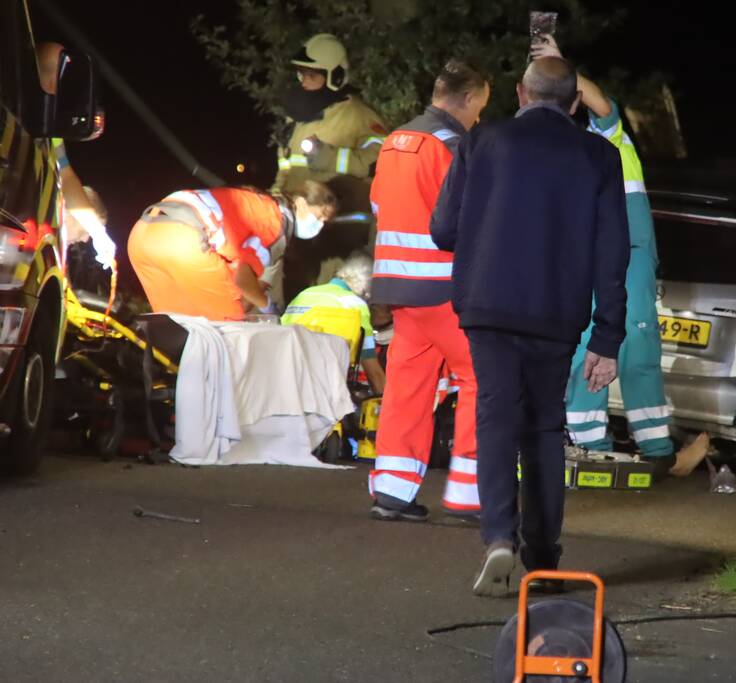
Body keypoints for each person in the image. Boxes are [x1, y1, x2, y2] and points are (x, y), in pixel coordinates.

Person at [430, 57, 629, 596]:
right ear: (574, 103)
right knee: (544, 427)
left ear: (520, 93)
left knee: (495, 415)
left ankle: (498, 536)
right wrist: (608, 336)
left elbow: (443, 229)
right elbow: (613, 251)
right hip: (556, 314)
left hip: (488, 307)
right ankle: (544, 556)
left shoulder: (482, 141)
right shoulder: (599, 157)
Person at [530, 36, 677, 470]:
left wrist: (557, 63)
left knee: (637, 352)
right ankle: (589, 447)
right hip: (592, 266)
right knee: (585, 352)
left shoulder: (613, 142)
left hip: (629, 263)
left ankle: (657, 454)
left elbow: (600, 104)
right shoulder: (567, 156)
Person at [366, 60, 491, 522]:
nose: (480, 116)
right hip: (445, 288)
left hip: (400, 291)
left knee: (408, 386)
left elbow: (379, 204)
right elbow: (472, 217)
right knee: (483, 380)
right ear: (470, 98)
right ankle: (468, 494)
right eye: (481, 106)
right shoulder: (455, 146)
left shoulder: (396, 140)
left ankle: (393, 493)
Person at [127, 181, 337, 321]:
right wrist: (270, 308)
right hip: (184, 240)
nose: (319, 225)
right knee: (230, 331)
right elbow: (243, 281)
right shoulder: (275, 224)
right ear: (300, 203)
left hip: (143, 233)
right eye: (319, 217)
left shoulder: (259, 203)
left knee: (178, 328)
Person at [273, 34, 388, 194]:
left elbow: (381, 164)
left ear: (335, 77)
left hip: (336, 212)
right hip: (297, 212)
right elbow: (285, 171)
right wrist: (276, 199)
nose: (304, 82)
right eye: (302, 74)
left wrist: (330, 158)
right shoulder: (297, 117)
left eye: (312, 76)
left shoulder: (357, 115)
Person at [36, 42, 116, 270]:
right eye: (52, 77)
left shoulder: (47, 127)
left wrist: (98, 232)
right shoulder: (18, 109)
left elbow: (65, 173)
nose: (55, 88)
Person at [281, 252, 386, 393]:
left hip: (291, 378)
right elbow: (372, 369)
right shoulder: (356, 305)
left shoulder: (304, 295)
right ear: (365, 291)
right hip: (331, 387)